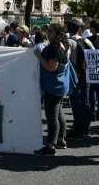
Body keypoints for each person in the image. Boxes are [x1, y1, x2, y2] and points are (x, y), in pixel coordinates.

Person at [33, 24, 71, 156]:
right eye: (47, 31)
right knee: (59, 113)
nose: (48, 34)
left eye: (51, 31)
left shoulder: (55, 48)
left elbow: (51, 67)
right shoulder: (63, 45)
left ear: (58, 33)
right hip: (60, 85)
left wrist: (39, 56)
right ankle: (61, 139)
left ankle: (50, 146)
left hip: (53, 86)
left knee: (52, 117)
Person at [67, 19, 95, 139]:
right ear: (80, 29)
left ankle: (77, 129)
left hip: (74, 76)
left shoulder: (68, 42)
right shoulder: (86, 41)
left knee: (76, 103)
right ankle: (86, 128)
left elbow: (66, 57)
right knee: (85, 102)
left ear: (68, 29)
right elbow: (94, 55)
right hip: (85, 75)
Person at [87, 19, 99, 121]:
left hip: (91, 68)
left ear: (93, 28)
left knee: (92, 91)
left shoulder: (89, 39)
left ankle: (92, 112)